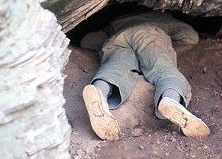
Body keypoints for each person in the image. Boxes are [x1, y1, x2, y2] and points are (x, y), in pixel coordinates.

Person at [81, 11, 210, 140]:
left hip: (118, 37)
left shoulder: (116, 21)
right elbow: (191, 36)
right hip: (149, 35)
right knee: (164, 71)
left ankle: (99, 92)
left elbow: (87, 41)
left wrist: (106, 38)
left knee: (114, 68)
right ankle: (170, 99)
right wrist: (170, 43)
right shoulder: (163, 17)